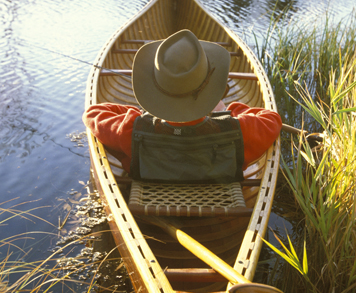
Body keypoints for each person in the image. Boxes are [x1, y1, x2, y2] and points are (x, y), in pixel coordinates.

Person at [83, 29, 282, 183]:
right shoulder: (240, 131)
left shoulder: (129, 131)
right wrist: (228, 111)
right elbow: (272, 119)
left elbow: (93, 114)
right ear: (211, 91)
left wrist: (137, 114)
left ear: (156, 90)